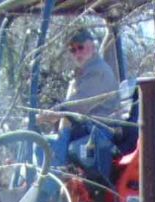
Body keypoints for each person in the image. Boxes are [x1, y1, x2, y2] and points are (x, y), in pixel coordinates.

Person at [43, 27, 121, 183]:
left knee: (52, 137)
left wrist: (52, 113)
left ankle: (48, 188)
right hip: (87, 127)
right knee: (41, 141)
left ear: (92, 46)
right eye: (73, 50)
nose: (77, 53)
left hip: (100, 129)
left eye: (80, 47)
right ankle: (34, 184)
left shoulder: (98, 71)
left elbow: (78, 105)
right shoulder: (83, 72)